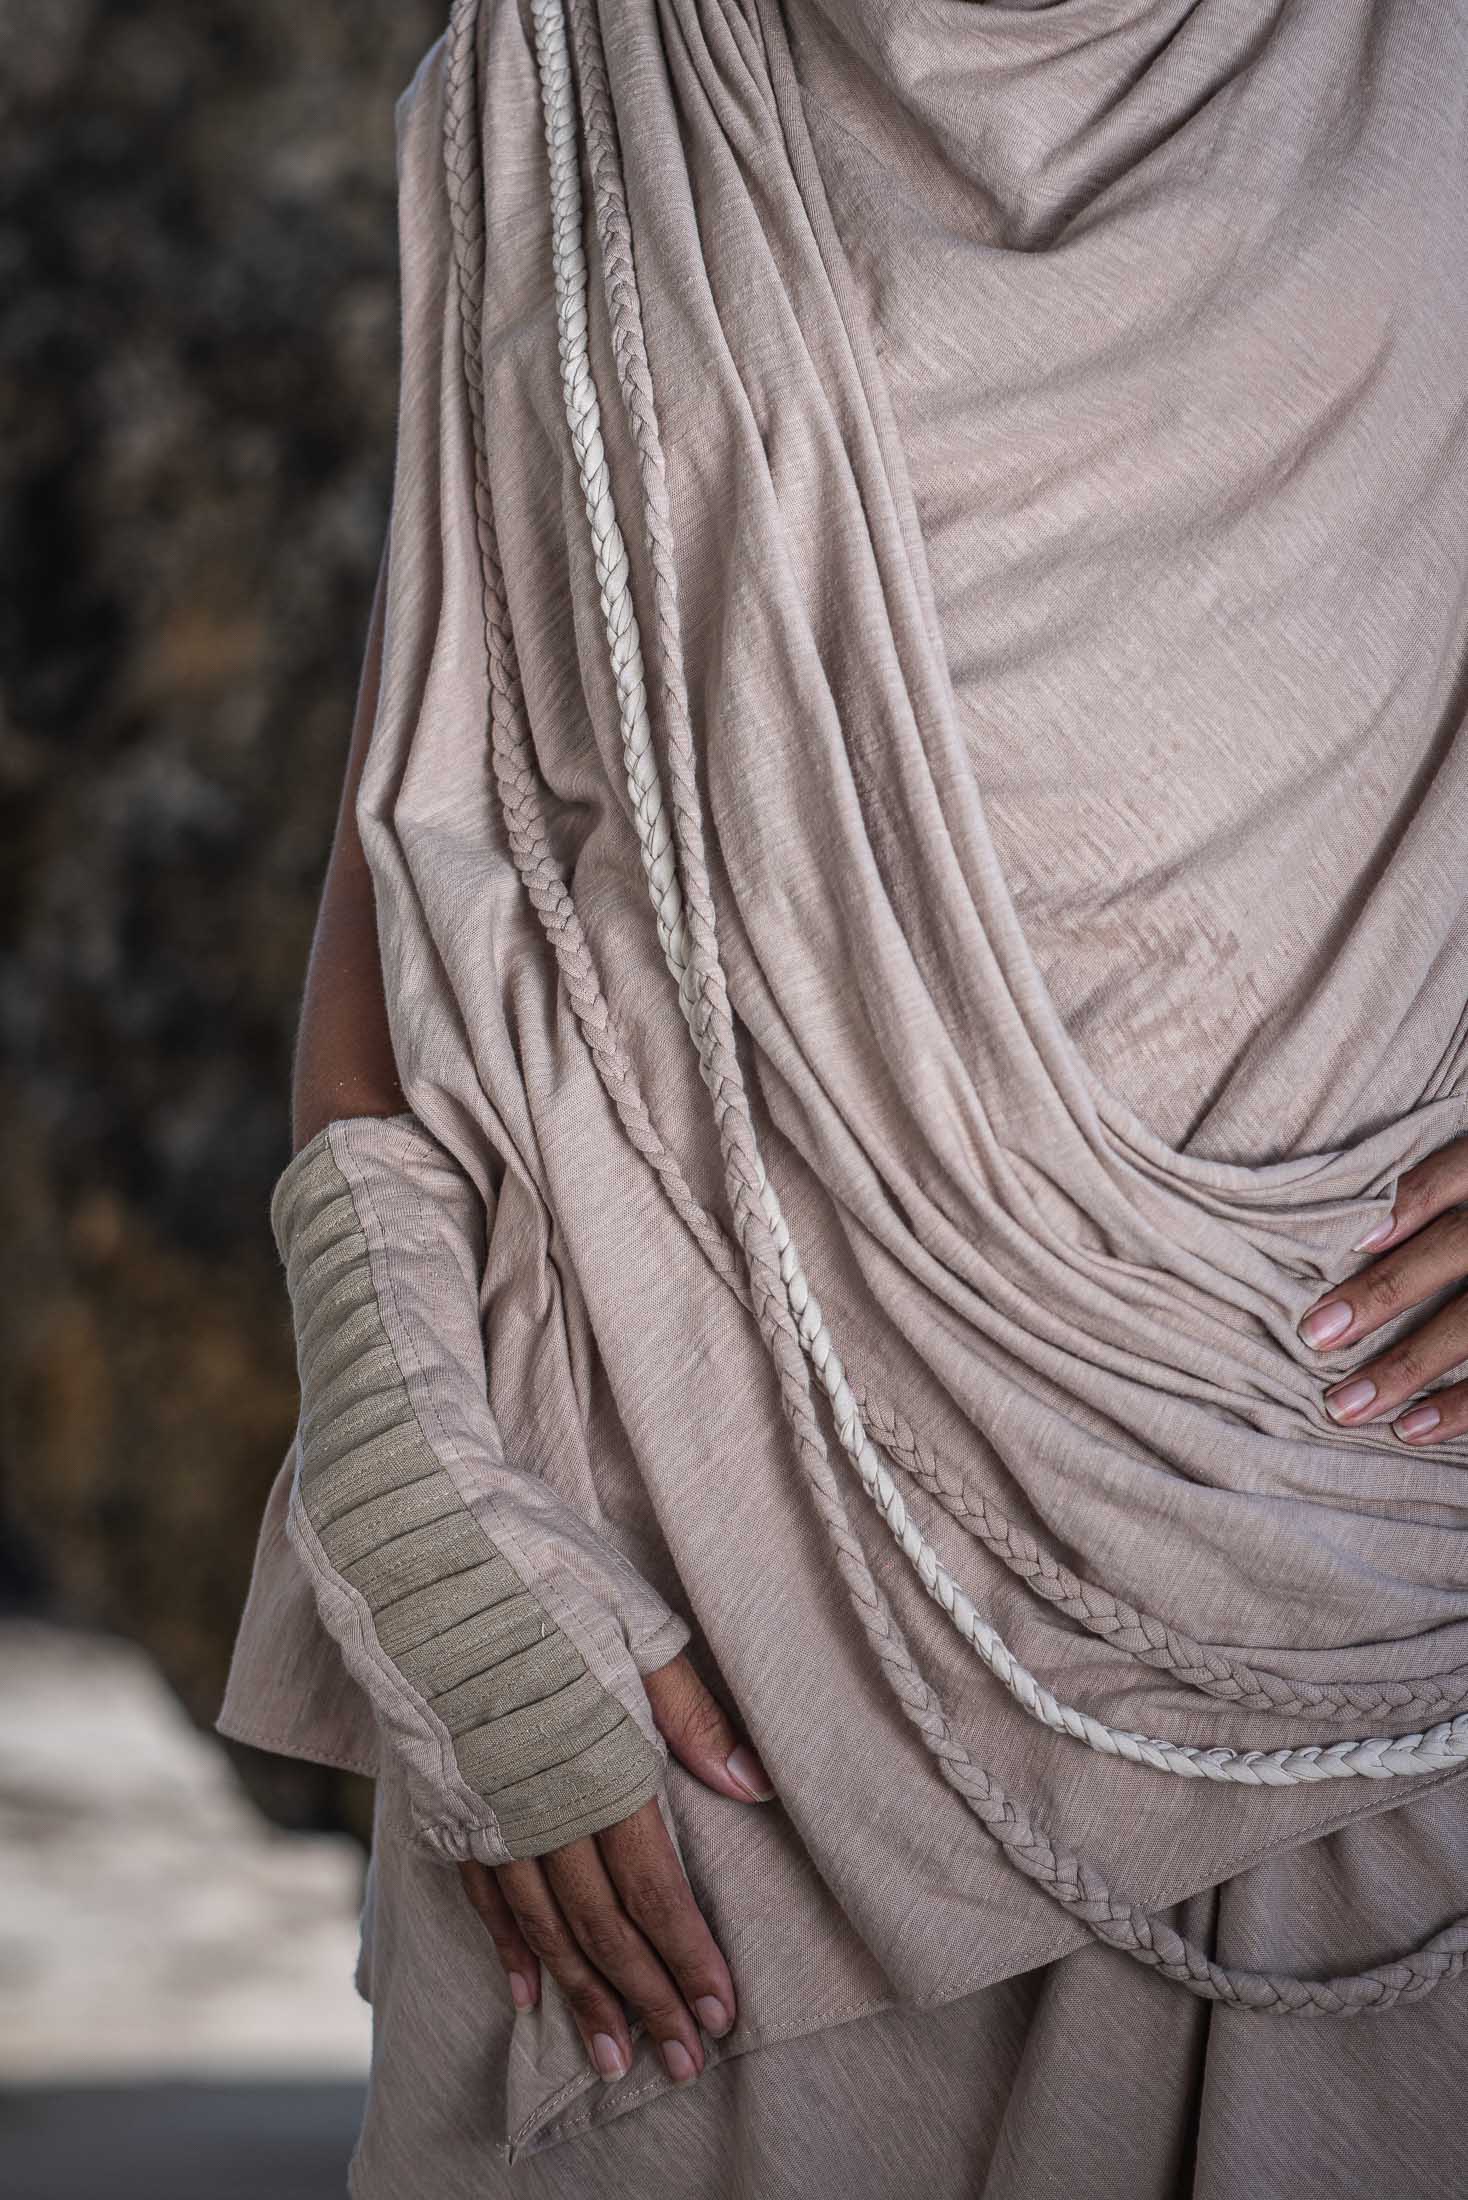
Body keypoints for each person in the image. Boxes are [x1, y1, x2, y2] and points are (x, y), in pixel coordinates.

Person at [220, 1, 1468, 2192]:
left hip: (1351, 1533)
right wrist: (420, 1504)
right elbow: (431, 809)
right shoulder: (576, 59)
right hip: (678, 1600)